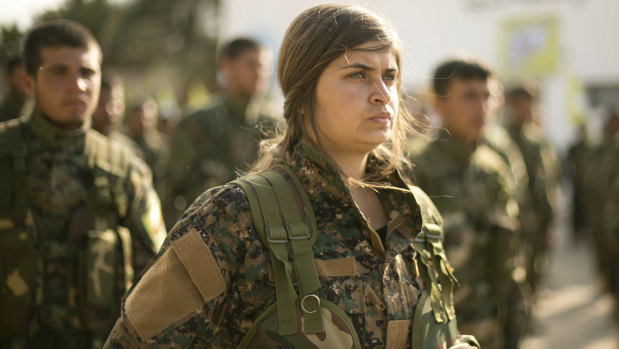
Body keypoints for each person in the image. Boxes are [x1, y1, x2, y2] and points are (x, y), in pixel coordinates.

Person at [104, 4, 479, 348]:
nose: (383, 94)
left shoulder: (417, 213)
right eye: (358, 74)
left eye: (390, 75)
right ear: (304, 93)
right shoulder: (235, 216)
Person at [0, 20, 166, 348]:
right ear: (28, 82)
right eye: (59, 72)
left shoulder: (125, 167)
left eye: (87, 73)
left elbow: (159, 274)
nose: (77, 85)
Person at [408, 58, 525, 349]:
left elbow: (510, 248)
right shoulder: (414, 167)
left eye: (487, 97)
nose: (482, 108)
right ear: (438, 103)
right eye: (470, 97)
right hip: (439, 332)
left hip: (491, 323)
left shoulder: (493, 167)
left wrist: (515, 317)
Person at [164, 37, 279, 228]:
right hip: (208, 237)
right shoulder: (195, 123)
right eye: (251, 65)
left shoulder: (277, 126)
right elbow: (169, 192)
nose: (260, 74)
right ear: (226, 66)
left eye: (265, 67)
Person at [504, 81, 560, 295]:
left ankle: (530, 305)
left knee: (535, 266)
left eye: (529, 104)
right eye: (520, 104)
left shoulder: (538, 142)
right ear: (510, 105)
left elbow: (549, 181)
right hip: (512, 219)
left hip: (536, 219)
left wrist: (549, 220)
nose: (525, 110)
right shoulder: (501, 140)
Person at [91, 71, 143, 157]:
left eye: (115, 104)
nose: (109, 111)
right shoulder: (78, 147)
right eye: (101, 103)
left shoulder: (130, 150)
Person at [125, 97, 169, 192]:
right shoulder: (123, 142)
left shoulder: (162, 145)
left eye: (145, 117)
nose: (141, 122)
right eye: (137, 118)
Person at [0, 56, 31, 122]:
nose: (25, 80)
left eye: (27, 74)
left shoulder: (32, 107)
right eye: (19, 74)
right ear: (8, 79)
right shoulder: (3, 113)